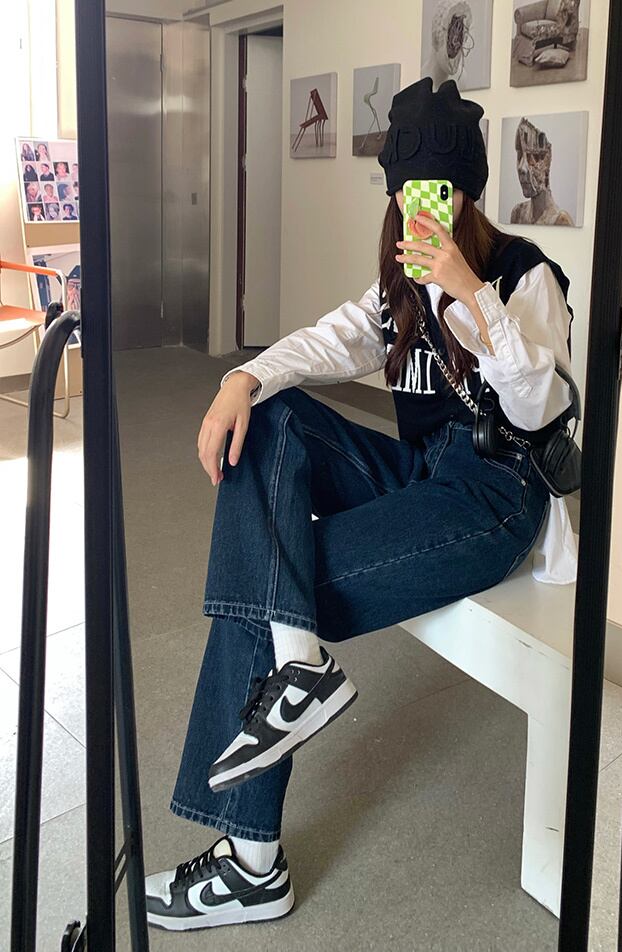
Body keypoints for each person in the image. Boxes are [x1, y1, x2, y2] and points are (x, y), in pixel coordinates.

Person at [144, 77, 578, 931]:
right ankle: (299, 666)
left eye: (441, 191)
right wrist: (241, 378)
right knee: (270, 415)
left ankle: (251, 867)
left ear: (469, 193)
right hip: (421, 471)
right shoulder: (398, 289)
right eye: (409, 193)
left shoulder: (524, 276)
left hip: (494, 497)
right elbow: (325, 342)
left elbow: (540, 406)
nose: (422, 209)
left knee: (264, 582)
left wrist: (469, 291)